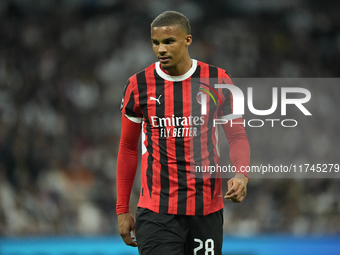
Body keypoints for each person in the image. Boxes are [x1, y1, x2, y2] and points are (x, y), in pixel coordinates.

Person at [116, 10, 250, 255]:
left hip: (206, 209)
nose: (161, 49)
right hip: (156, 211)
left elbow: (237, 136)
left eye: (169, 41)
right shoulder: (138, 85)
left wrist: (241, 174)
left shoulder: (218, 79)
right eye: (155, 43)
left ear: (188, 40)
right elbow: (128, 147)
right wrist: (122, 208)